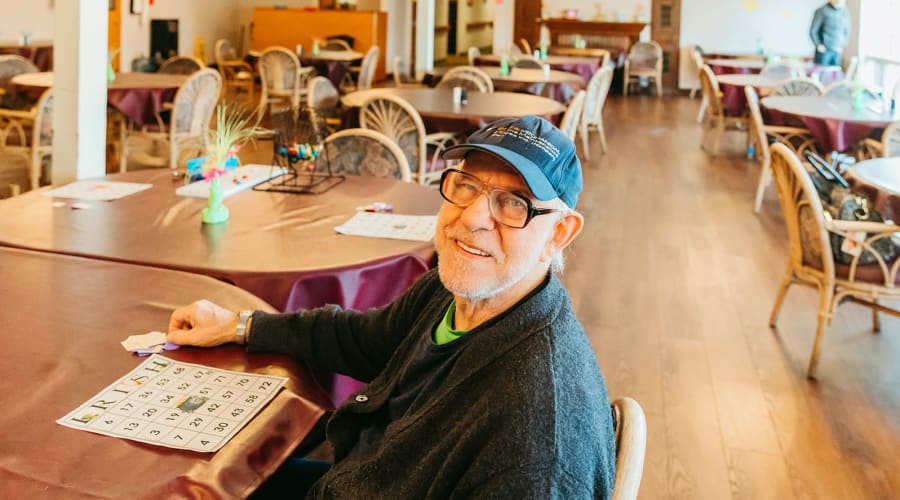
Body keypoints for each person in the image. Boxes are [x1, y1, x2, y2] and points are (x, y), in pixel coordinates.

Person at [167, 115, 617, 498]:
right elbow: (367, 339)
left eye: (513, 203)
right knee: (195, 472)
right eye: (467, 185)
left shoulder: (537, 449)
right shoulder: (463, 289)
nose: (474, 217)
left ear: (559, 234)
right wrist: (240, 324)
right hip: (358, 478)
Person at [809, 0, 850, 66]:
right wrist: (818, 45)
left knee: (834, 74)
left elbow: (846, 30)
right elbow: (813, 31)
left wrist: (842, 45)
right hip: (824, 51)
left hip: (837, 50)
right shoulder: (821, 11)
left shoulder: (844, 12)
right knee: (821, 73)